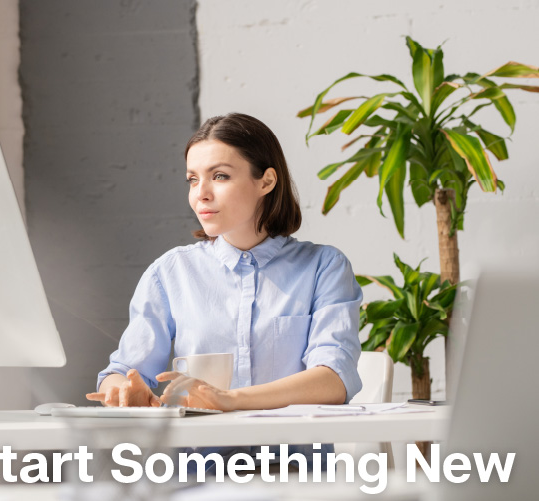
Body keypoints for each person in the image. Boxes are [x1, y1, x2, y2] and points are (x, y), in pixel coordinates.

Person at [86, 113, 363, 414]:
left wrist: (230, 400)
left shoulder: (324, 267)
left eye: (220, 176)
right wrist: (123, 391)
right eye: (193, 179)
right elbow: (122, 372)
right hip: (203, 461)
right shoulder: (168, 274)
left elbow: (334, 380)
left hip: (291, 460)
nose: (201, 194)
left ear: (266, 181)